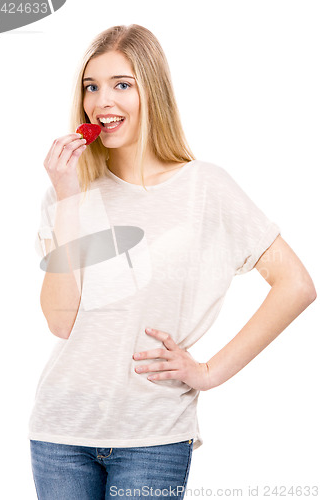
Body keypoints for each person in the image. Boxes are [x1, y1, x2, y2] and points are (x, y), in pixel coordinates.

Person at [28, 24, 317, 500]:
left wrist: (209, 372)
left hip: (153, 435)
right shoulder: (68, 193)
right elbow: (61, 323)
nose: (103, 101)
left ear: (153, 91)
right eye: (91, 86)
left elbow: (296, 285)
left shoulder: (205, 187)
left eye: (123, 84)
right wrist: (66, 201)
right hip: (60, 431)